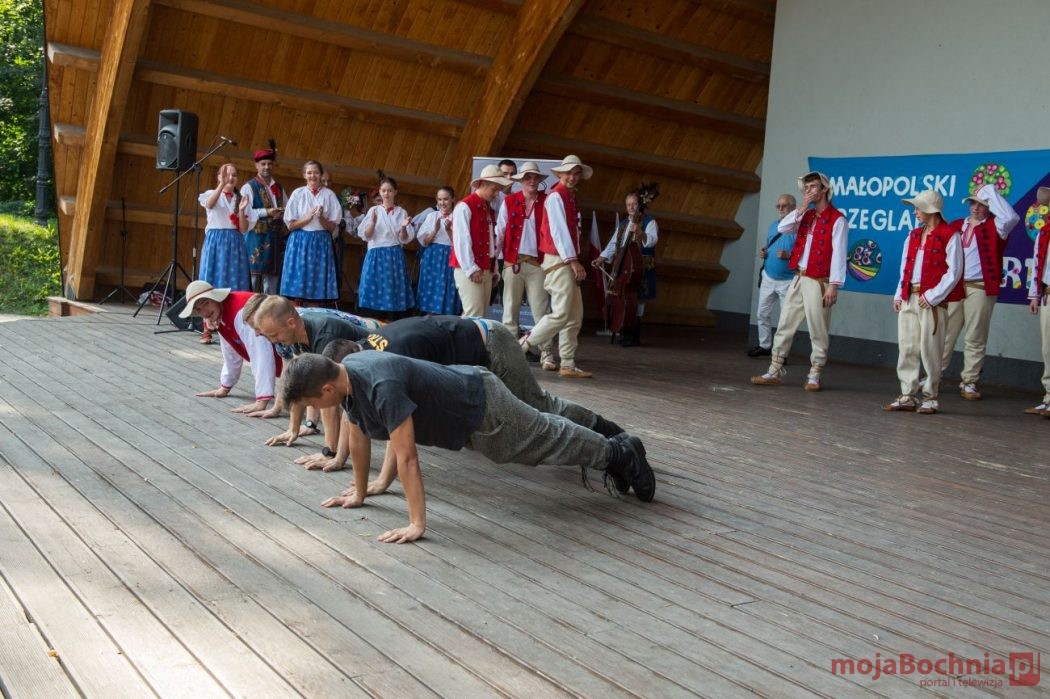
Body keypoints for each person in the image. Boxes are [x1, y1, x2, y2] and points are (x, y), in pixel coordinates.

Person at [280, 351, 656, 543]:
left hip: (481, 406)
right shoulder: (347, 376)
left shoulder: (380, 386)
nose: (317, 410)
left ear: (326, 389)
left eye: (313, 403)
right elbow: (359, 436)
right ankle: (614, 451)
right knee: (542, 438)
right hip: (467, 411)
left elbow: (407, 458)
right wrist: (361, 492)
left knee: (545, 440)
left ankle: (620, 454)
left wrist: (416, 523)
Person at [254, 297, 625, 465]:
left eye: (271, 335)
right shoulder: (360, 359)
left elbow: (396, 426)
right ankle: (602, 441)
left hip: (489, 341)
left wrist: (336, 456)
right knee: (532, 415)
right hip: (464, 356)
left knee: (539, 406)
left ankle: (607, 432)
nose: (270, 342)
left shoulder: (372, 357)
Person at [751, 171, 848, 390]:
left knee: (817, 329)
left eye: (812, 186)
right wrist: (802, 207)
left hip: (819, 281)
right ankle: (774, 369)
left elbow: (839, 255)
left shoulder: (838, 219)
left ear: (824, 189)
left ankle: (815, 373)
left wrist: (833, 285)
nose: (808, 190)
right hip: (799, 277)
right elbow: (783, 228)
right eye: (806, 187)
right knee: (785, 323)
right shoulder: (806, 215)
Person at [936, 184, 1020, 400]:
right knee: (945, 333)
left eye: (981, 205)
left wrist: (990, 192)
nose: (975, 208)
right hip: (954, 286)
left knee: (975, 335)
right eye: (973, 203)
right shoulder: (956, 225)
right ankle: (934, 376)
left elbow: (1011, 218)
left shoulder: (995, 226)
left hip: (980, 287)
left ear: (989, 207)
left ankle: (969, 381)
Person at [882, 191, 963, 414]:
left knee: (931, 349)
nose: (915, 212)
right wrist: (899, 294)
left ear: (930, 209)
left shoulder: (949, 235)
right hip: (910, 296)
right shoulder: (914, 235)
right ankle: (907, 394)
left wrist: (933, 296)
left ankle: (930, 397)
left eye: (918, 208)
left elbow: (954, 271)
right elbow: (904, 267)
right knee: (907, 346)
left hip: (931, 301)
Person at [520, 155, 594, 378]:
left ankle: (567, 363)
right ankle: (520, 346)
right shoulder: (556, 197)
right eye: (569, 172)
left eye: (576, 173)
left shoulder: (568, 197)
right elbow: (559, 232)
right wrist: (573, 260)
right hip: (559, 261)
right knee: (561, 314)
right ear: (560, 174)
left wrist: (572, 260)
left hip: (564, 260)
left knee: (574, 316)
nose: (572, 177)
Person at [179, 280, 282, 416]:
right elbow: (230, 353)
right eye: (198, 309)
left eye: (206, 303)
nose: (205, 312)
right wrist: (225, 386)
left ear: (216, 298)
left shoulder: (242, 312)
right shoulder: (221, 313)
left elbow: (261, 354)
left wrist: (262, 400)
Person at [496, 161, 554, 367]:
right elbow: (500, 232)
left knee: (541, 311)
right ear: (520, 180)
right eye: (527, 177)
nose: (532, 180)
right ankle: (511, 353)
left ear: (539, 180)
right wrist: (494, 261)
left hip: (538, 264)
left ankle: (546, 353)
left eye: (535, 177)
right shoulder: (509, 201)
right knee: (509, 311)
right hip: (513, 262)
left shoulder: (547, 201)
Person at [593, 184, 660, 347]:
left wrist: (640, 233)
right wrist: (601, 258)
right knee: (622, 296)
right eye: (628, 204)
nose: (631, 207)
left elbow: (652, 241)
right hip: (624, 266)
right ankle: (622, 328)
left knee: (638, 299)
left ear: (640, 205)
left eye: (634, 204)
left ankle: (634, 333)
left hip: (640, 267)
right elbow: (613, 243)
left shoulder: (649, 222)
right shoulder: (623, 223)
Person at [198, 163, 253, 343]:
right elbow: (210, 204)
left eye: (234, 175)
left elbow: (243, 229)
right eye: (226, 175)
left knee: (234, 283)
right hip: (216, 242)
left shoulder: (240, 198)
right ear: (219, 177)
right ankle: (207, 327)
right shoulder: (211, 194)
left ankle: (234, 326)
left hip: (235, 243)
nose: (231, 178)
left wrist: (242, 210)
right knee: (210, 282)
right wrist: (221, 185)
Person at [452, 165, 510, 317]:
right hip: (471, 268)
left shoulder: (488, 208)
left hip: (485, 268)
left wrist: (494, 268)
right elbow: (461, 241)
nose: (497, 194)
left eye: (499, 190)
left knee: (481, 315)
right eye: (494, 189)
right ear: (483, 184)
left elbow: (491, 242)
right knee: (474, 314)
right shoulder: (465, 206)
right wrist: (471, 269)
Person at [281, 160, 340, 306]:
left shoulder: (329, 195)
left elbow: (332, 228)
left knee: (316, 288)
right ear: (304, 175)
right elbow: (290, 225)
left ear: (321, 175)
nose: (313, 176)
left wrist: (321, 218)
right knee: (295, 288)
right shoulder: (298, 193)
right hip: (299, 242)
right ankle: (294, 315)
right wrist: (306, 218)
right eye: (309, 173)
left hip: (320, 243)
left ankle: (314, 316)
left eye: (316, 172)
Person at [357, 171, 415, 318]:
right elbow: (366, 235)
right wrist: (372, 222)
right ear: (380, 192)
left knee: (393, 287)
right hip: (375, 254)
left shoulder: (401, 212)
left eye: (389, 190)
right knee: (373, 285)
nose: (386, 194)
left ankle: (393, 319)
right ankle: (372, 319)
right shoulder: (374, 210)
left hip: (393, 255)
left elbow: (404, 239)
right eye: (383, 190)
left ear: (395, 192)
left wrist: (403, 228)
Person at [748, 194, 798, 357]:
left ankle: (781, 354)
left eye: (784, 205)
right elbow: (769, 245)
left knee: (786, 320)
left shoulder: (799, 229)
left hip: (788, 281)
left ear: (793, 208)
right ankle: (765, 346)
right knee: (762, 314)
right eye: (778, 206)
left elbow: (805, 256)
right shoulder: (773, 226)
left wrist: (789, 256)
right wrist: (764, 252)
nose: (780, 209)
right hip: (768, 277)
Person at [240, 141, 286, 296]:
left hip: (275, 239)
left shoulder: (279, 187)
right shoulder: (249, 187)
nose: (267, 167)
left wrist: (282, 213)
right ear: (256, 166)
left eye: (269, 164)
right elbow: (245, 213)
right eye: (263, 164)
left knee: (272, 281)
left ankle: (270, 309)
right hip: (255, 237)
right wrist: (267, 212)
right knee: (252, 278)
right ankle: (248, 307)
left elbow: (287, 207)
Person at [415, 186, 461, 315]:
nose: (442, 202)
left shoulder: (458, 216)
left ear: (453, 199)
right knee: (431, 285)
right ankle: (429, 316)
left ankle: (445, 316)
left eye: (446, 199)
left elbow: (459, 243)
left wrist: (448, 231)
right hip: (433, 256)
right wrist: (435, 230)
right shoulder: (432, 216)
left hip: (450, 255)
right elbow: (425, 242)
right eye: (440, 199)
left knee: (448, 285)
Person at [1027, 199, 1050, 416]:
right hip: (1048, 294)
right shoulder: (1044, 232)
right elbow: (1037, 264)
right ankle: (1049, 396)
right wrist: (1034, 294)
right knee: (1047, 348)